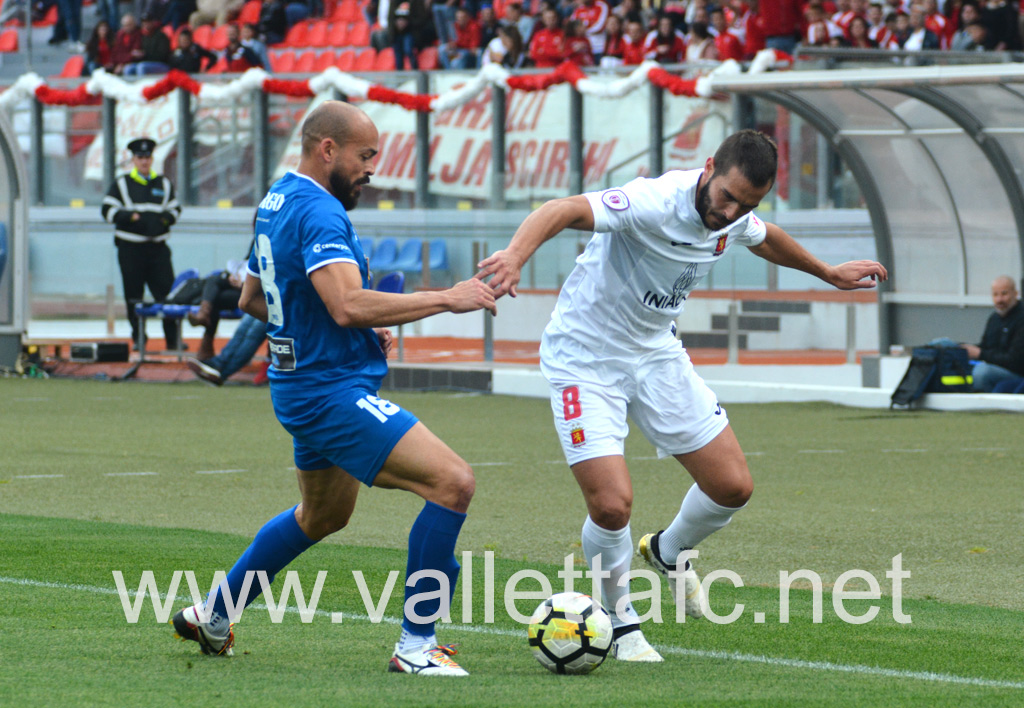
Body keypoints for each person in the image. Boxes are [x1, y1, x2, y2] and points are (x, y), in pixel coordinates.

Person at [477, 130, 887, 662]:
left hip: (657, 355)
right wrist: (514, 255)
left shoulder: (737, 216)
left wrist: (827, 273)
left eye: (748, 204)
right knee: (611, 505)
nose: (733, 212)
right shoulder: (652, 202)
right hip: (585, 359)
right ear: (709, 166)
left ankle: (668, 551)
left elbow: (764, 237)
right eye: (728, 197)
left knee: (732, 487)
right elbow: (561, 208)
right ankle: (621, 623)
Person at [171, 101, 497, 676]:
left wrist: (335, 334)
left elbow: (252, 299)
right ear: (328, 150)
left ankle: (213, 614)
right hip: (330, 391)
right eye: (366, 156)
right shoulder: (319, 211)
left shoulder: (277, 199)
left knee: (321, 516)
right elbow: (346, 305)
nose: (372, 169)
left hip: (302, 385)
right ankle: (416, 646)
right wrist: (449, 297)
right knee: (453, 482)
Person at [101, 137, 183, 350]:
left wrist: (162, 221)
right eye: (140, 157)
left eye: (147, 157)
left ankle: (173, 341)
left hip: (158, 250)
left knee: (168, 295)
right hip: (131, 249)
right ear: (133, 159)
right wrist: (132, 218)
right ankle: (139, 338)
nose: (144, 161)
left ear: (152, 158)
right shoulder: (122, 183)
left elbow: (175, 210)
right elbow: (107, 211)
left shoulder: (163, 183)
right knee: (134, 296)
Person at [962, 276, 1024, 392]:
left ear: (1015, 294)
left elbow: (1015, 360)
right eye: (995, 295)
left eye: (1004, 294)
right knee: (945, 345)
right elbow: (986, 346)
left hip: (1017, 373)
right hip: (994, 366)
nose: (999, 299)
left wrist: (980, 354)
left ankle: (987, 406)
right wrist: (967, 349)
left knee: (982, 372)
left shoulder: (1021, 318)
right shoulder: (994, 318)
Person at [186, 312, 267, 385]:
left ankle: (221, 373)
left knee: (253, 334)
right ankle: (218, 364)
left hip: (276, 305)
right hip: (263, 300)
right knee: (242, 329)